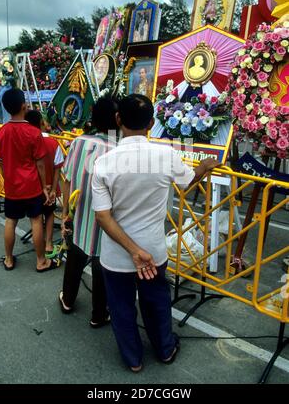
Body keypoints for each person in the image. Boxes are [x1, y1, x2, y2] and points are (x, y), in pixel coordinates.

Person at [91, 94, 220, 372]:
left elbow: (102, 216)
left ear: (118, 119)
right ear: (151, 123)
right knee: (156, 303)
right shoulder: (167, 155)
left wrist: (132, 252)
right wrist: (205, 166)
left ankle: (133, 359)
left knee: (122, 309)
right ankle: (165, 349)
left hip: (117, 255)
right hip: (154, 251)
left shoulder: (104, 163)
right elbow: (188, 181)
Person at [59, 97, 119, 327]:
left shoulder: (79, 142)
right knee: (102, 265)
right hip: (107, 221)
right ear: (118, 119)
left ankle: (68, 300)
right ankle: (99, 314)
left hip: (80, 214)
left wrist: (66, 211)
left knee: (75, 255)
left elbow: (66, 178)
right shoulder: (119, 150)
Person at [0, 89, 58, 272]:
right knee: (36, 221)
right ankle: (41, 261)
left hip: (12, 187)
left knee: (10, 221)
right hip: (31, 186)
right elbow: (39, 165)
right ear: (24, 105)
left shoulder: (2, 132)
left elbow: (0, 162)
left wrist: (7, 177)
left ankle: (8, 259)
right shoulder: (33, 132)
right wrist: (45, 188)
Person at [25, 110, 64, 257]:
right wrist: (53, 189)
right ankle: (48, 243)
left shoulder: (27, 142)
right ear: (42, 123)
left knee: (35, 218)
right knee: (49, 214)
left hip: (33, 188)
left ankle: (39, 245)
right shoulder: (53, 143)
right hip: (50, 186)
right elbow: (57, 169)